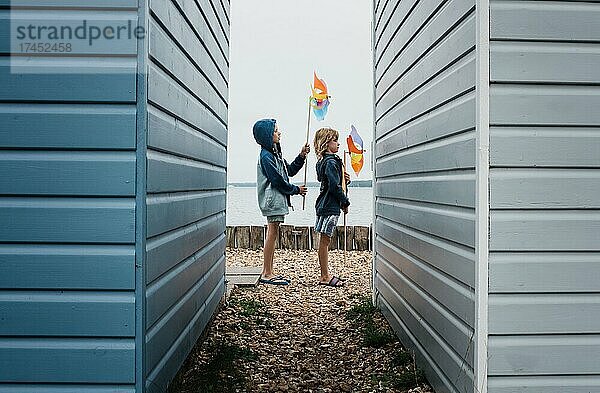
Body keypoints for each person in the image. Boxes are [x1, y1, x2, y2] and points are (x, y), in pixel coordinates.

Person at [253, 118, 309, 285]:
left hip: (277, 200)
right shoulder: (266, 156)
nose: (279, 133)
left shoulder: (274, 155)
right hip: (272, 200)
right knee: (272, 233)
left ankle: (268, 271)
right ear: (267, 135)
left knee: (273, 232)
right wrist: (296, 190)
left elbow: (289, 171)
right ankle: (267, 273)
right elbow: (277, 180)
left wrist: (301, 156)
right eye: (276, 131)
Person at [313, 127, 350, 287]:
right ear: (327, 143)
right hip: (330, 205)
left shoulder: (322, 162)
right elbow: (335, 187)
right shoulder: (331, 162)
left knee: (323, 240)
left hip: (322, 203)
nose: (338, 143)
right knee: (325, 240)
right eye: (335, 140)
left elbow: (330, 182)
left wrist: (344, 178)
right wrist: (345, 201)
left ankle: (324, 273)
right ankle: (325, 276)